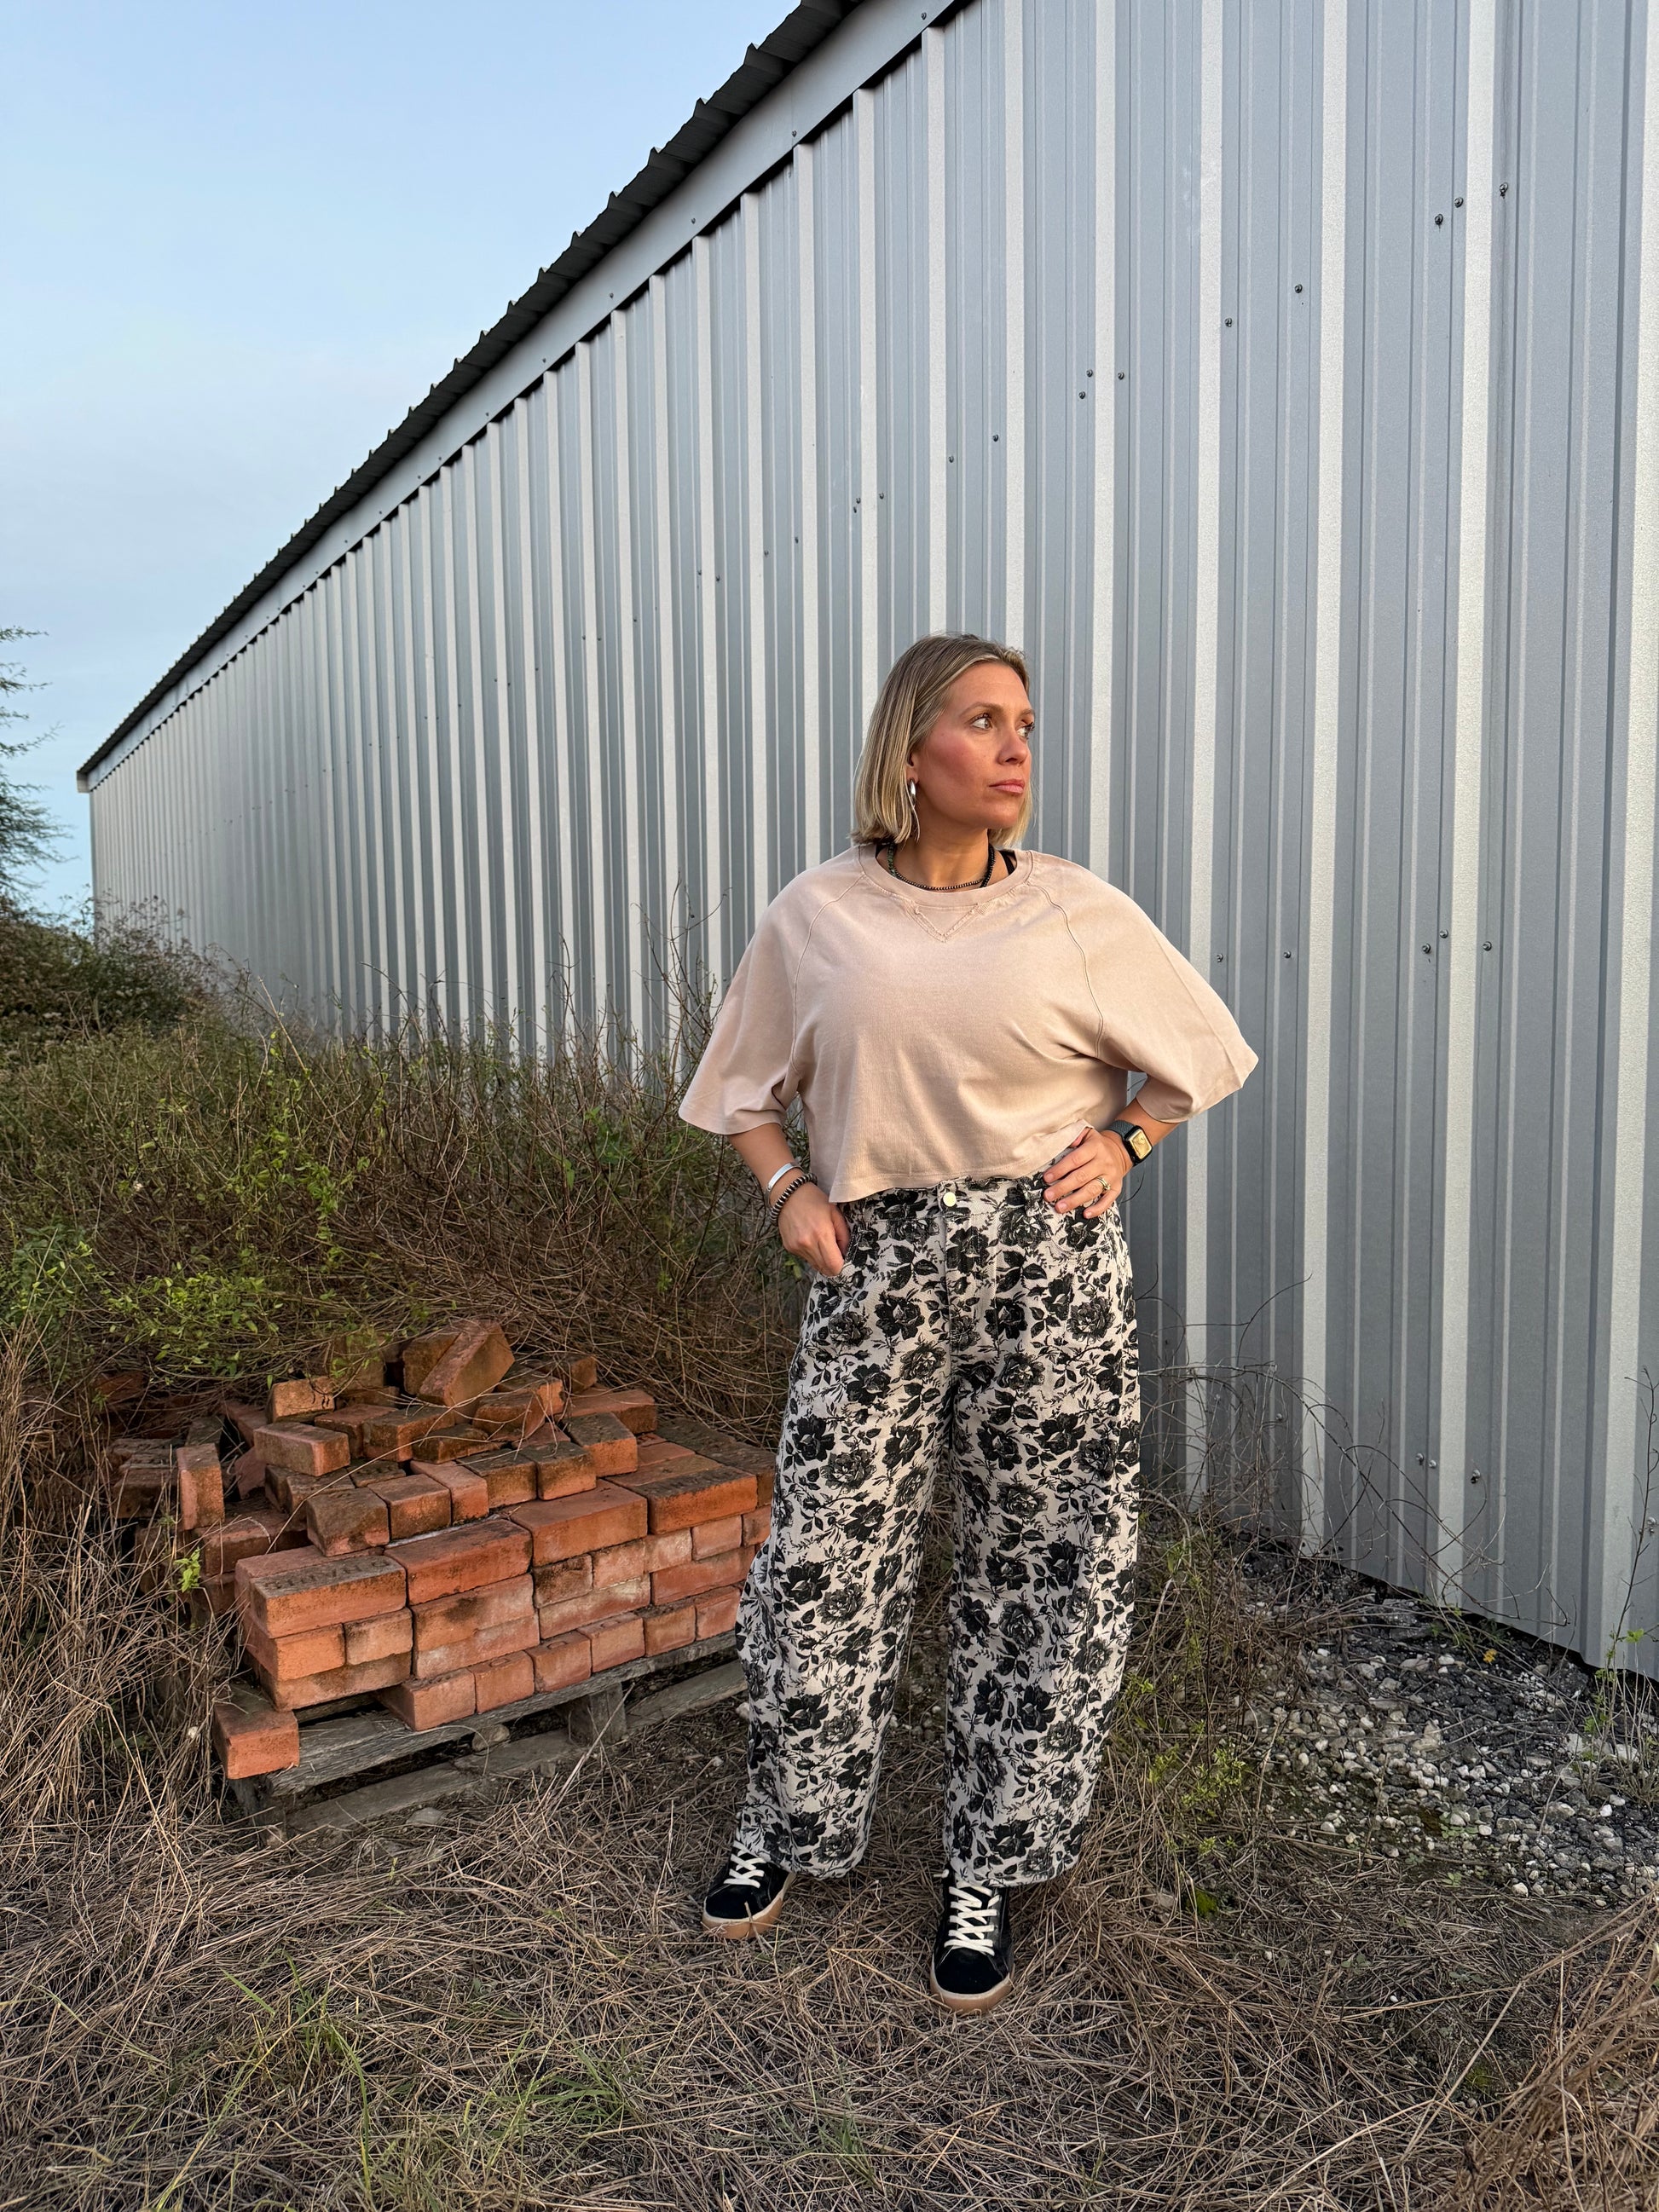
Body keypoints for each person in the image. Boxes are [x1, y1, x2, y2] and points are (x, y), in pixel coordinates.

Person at [677, 632, 1257, 2014]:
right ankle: (789, 1818)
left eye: (1025, 725)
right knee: (824, 1548)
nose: (1013, 750)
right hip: (873, 1263)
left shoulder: (1071, 909)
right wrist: (785, 1191)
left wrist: (1128, 1139)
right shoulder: (818, 913)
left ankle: (986, 1859)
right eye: (983, 721)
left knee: (1047, 1561)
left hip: (1045, 1266)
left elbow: (1200, 1052)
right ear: (909, 747)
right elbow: (740, 1087)